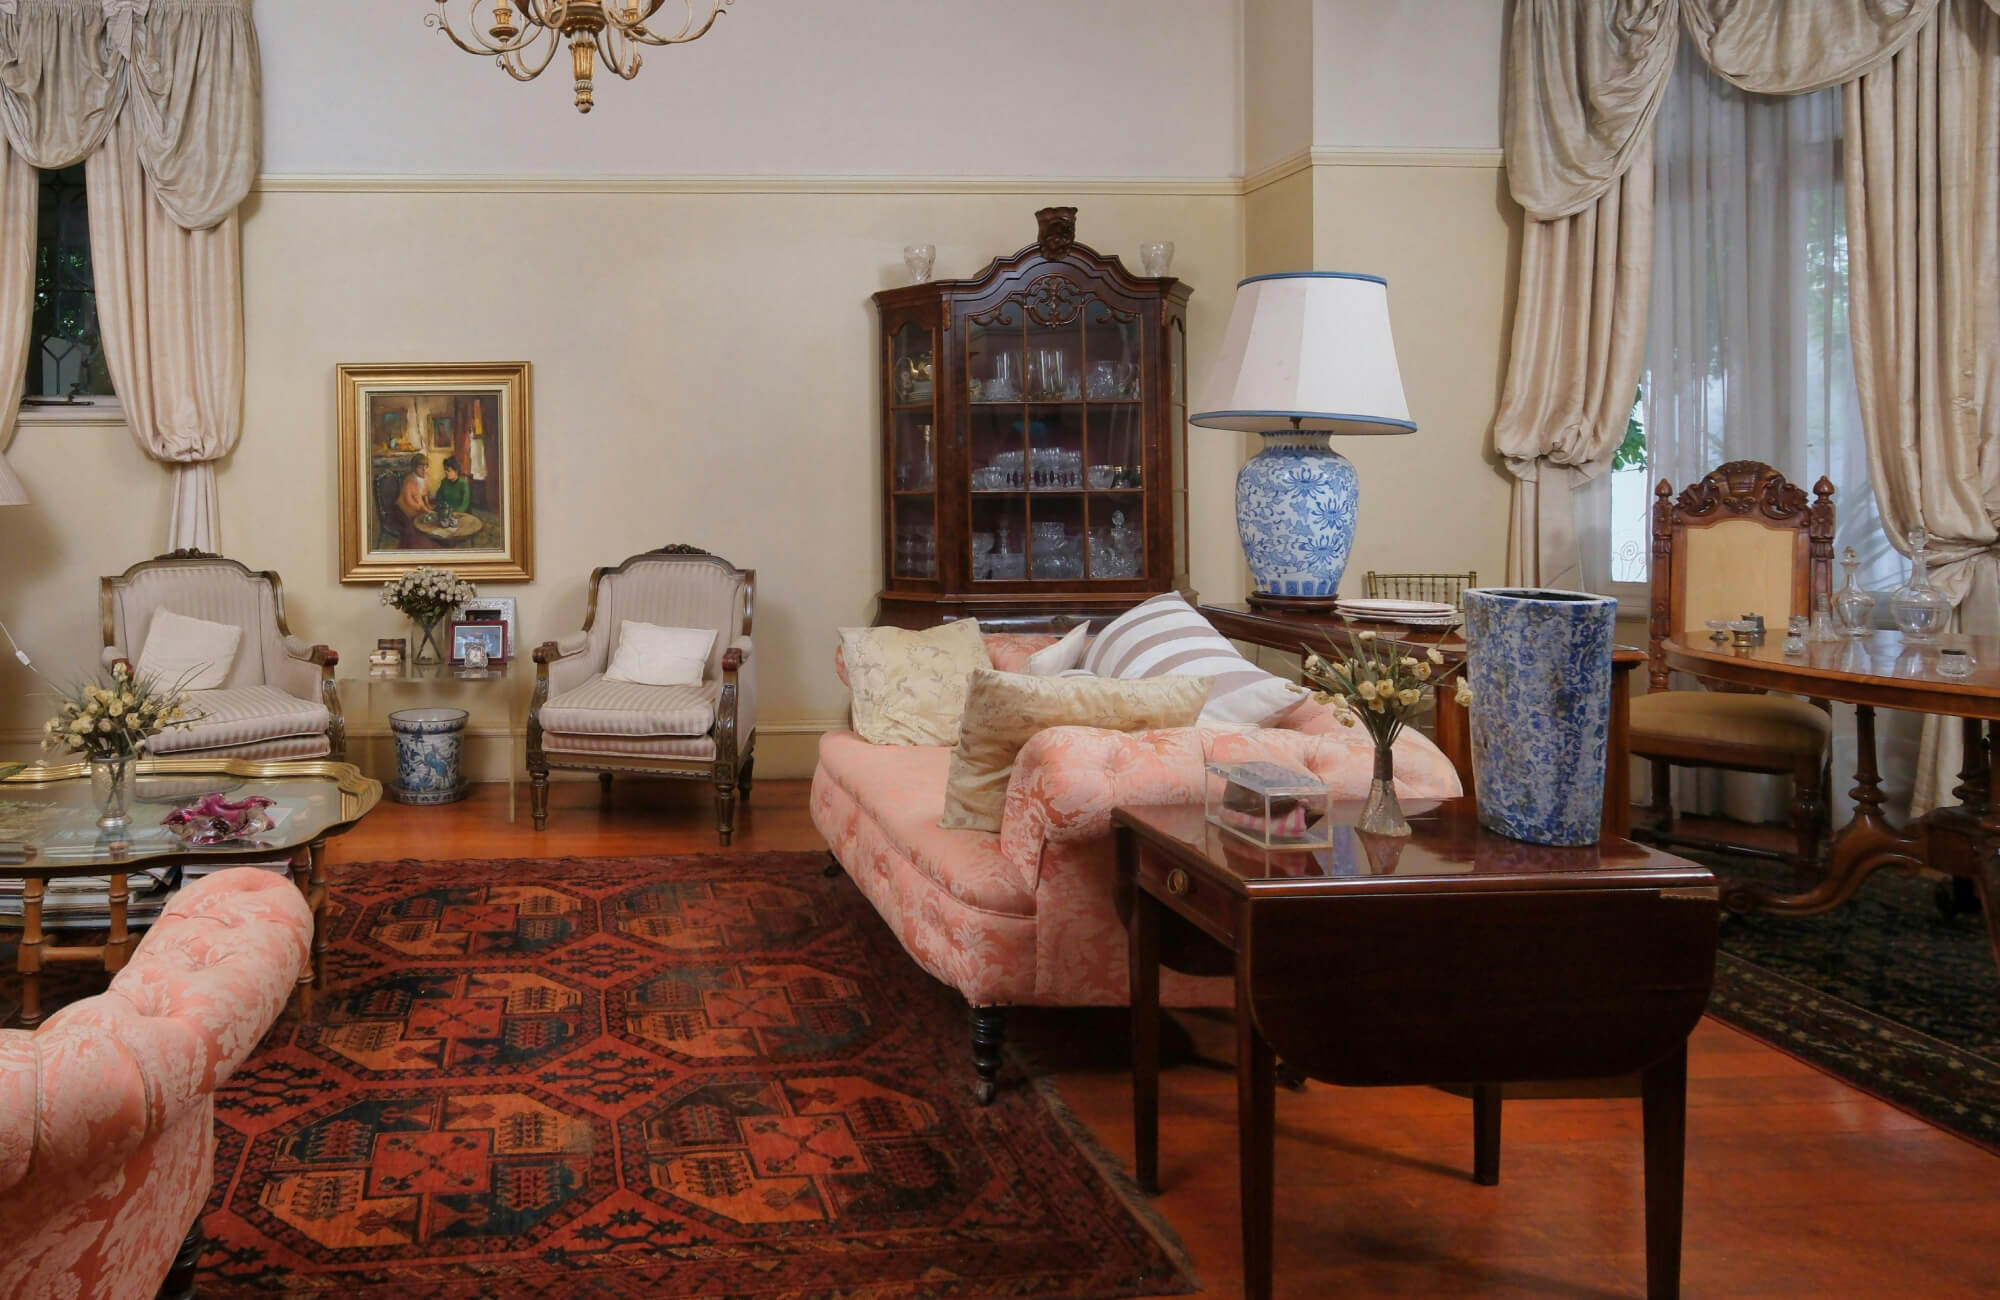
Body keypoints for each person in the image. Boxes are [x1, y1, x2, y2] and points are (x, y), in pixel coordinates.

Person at [395, 464, 437, 549]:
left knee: (429, 522)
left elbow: (425, 493)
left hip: (417, 505)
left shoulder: (426, 477)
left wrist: (427, 504)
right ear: (415, 468)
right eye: (420, 467)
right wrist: (421, 508)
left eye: (426, 467)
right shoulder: (409, 481)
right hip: (404, 509)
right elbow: (408, 500)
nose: (424, 470)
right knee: (414, 527)